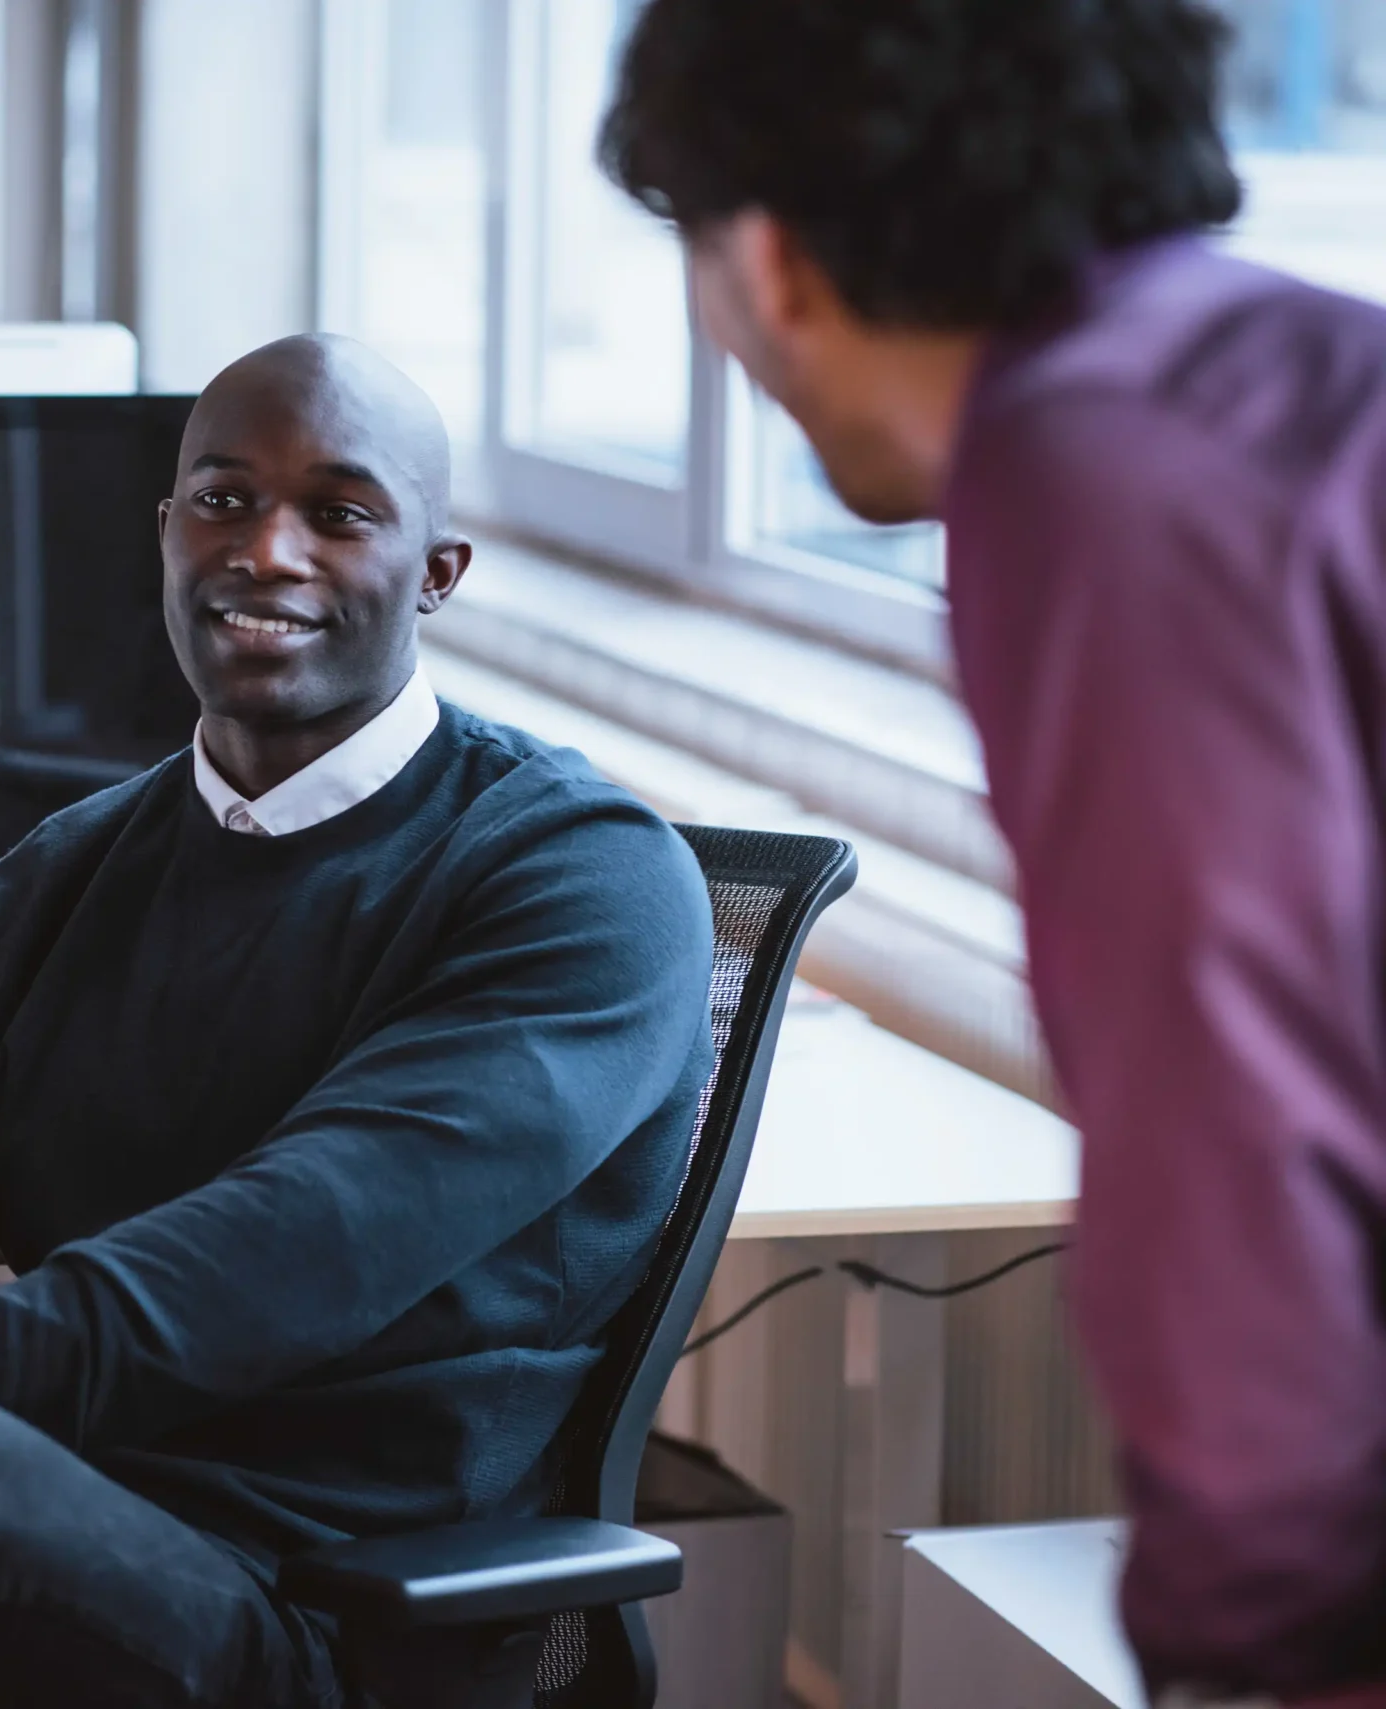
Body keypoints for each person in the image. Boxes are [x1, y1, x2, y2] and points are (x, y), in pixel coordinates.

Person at [0, 334, 717, 1709]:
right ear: (167, 533)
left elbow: (279, 1257)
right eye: (224, 500)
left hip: (335, 1611)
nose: (267, 550)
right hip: (69, 1534)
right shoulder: (54, 878)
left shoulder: (580, 878)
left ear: (439, 573)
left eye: (341, 513)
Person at [600, 3, 1386, 1703]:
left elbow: (1232, 1115)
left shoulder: (1096, 472)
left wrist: (1245, 1649)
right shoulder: (1299, 375)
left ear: (769, 257)